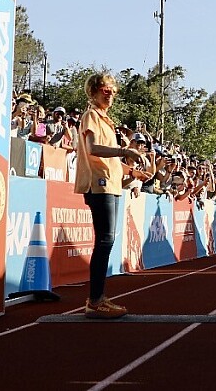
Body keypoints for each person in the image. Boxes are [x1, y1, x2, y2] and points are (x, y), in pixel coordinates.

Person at [74, 72, 152, 319]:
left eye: (113, 92)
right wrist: (124, 151)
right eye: (106, 91)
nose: (111, 96)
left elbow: (109, 159)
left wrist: (132, 171)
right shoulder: (91, 116)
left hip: (111, 184)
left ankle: (98, 297)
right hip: (99, 185)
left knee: (107, 240)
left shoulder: (105, 119)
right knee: (105, 240)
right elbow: (93, 149)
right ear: (94, 92)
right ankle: (95, 300)